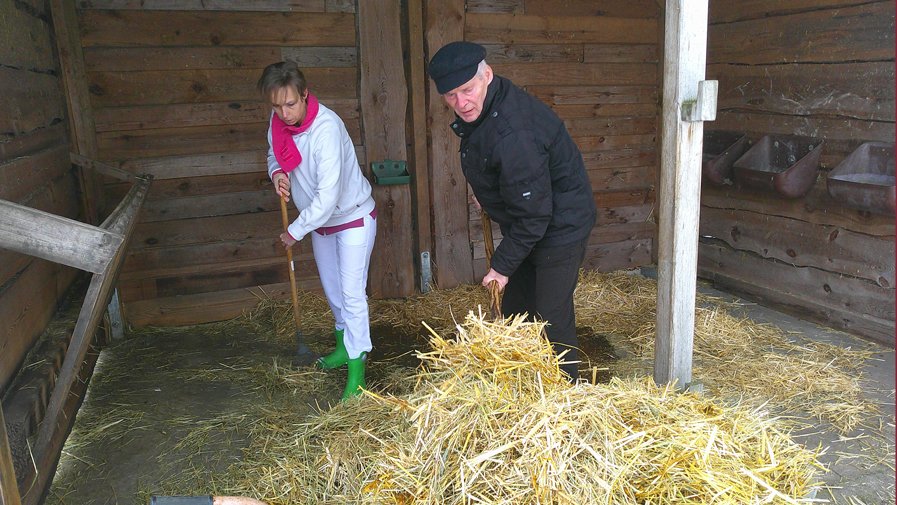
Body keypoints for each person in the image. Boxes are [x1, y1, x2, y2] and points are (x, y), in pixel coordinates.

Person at [427, 42, 597, 382]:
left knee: (550, 312)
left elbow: (534, 213)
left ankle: (571, 391)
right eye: (450, 95)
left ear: (486, 75)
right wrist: (490, 198)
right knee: (518, 308)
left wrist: (501, 267)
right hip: (533, 218)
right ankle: (524, 382)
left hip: (560, 224)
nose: (461, 103)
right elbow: (506, 170)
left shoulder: (513, 131)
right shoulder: (490, 106)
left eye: (467, 90)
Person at [258, 61, 377, 400]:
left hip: (352, 218)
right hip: (320, 225)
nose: (283, 112)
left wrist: (294, 231)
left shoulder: (326, 129)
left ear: (305, 95)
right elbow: (274, 154)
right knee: (334, 293)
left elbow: (328, 196)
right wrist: (277, 174)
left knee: (353, 296)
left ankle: (357, 372)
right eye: (277, 105)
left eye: (290, 104)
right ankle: (343, 349)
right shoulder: (278, 123)